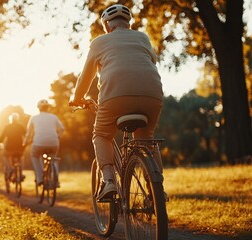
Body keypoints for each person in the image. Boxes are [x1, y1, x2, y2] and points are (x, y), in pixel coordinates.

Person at [69, 4, 164, 201]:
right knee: (147, 140)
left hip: (115, 98)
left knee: (101, 135)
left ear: (106, 25)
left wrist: (77, 98)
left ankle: (109, 182)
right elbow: (152, 61)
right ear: (128, 23)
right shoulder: (142, 37)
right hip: (152, 95)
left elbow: (86, 77)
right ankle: (157, 189)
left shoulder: (99, 42)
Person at [23, 99, 64, 186]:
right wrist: (58, 137)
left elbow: (28, 133)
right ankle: (56, 180)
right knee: (53, 158)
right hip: (54, 142)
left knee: (34, 156)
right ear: (48, 108)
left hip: (38, 143)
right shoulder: (54, 117)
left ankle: (40, 177)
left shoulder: (34, 118)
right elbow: (62, 129)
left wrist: (25, 143)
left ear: (38, 108)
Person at [0, 113, 26, 181]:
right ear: (17, 119)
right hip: (20, 148)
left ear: (11, 119)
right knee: (21, 158)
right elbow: (26, 135)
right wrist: (25, 144)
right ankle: (21, 173)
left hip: (9, 148)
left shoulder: (7, 127)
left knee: (5, 155)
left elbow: (2, 137)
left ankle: (10, 168)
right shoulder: (21, 126)